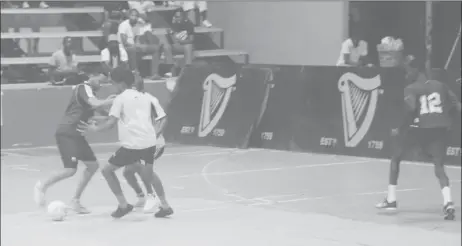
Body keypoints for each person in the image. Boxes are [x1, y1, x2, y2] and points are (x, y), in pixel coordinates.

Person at [78, 67, 173, 218]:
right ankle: (164, 205)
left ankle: (124, 204)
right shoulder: (147, 96)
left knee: (107, 171)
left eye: (113, 83)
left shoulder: (120, 98)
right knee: (144, 173)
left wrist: (94, 129)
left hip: (133, 146)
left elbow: (111, 123)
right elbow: (157, 117)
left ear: (120, 84)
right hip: (149, 142)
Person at [375, 55, 461, 220]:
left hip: (420, 129)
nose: (406, 74)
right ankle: (448, 203)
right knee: (439, 167)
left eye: (408, 70)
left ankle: (391, 200)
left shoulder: (411, 88)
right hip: (440, 129)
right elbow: (456, 105)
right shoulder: (440, 85)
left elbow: (410, 109)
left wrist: (400, 129)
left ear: (417, 70)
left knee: (395, 157)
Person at [34, 74, 115, 213]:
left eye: (103, 83)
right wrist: (111, 101)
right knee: (70, 170)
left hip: (77, 135)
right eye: (100, 81)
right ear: (91, 76)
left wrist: (112, 114)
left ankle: (75, 201)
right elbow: (95, 103)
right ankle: (42, 186)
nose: (100, 85)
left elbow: (100, 114)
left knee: (92, 165)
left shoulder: (93, 95)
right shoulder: (83, 88)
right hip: (67, 132)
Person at [121, 74, 168, 213]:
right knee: (128, 172)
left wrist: (155, 135)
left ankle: (155, 198)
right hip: (137, 142)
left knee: (144, 170)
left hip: (153, 142)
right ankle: (142, 197)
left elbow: (163, 119)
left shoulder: (150, 100)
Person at [118, 8, 172, 79]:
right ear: (129, 16)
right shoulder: (124, 25)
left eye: (136, 16)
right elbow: (124, 42)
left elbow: (137, 38)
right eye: (132, 15)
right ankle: (135, 74)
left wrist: (140, 45)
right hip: (126, 47)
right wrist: (136, 45)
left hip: (136, 46)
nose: (134, 17)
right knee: (133, 49)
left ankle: (154, 74)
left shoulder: (138, 25)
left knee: (156, 48)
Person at [165, 8, 195, 76]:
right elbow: (173, 42)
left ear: (183, 16)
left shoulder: (189, 24)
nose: (177, 18)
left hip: (186, 45)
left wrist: (182, 42)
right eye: (175, 17)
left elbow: (191, 40)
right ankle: (171, 71)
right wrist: (171, 33)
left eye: (178, 17)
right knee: (166, 47)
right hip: (177, 46)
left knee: (189, 46)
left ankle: (187, 71)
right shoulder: (173, 25)